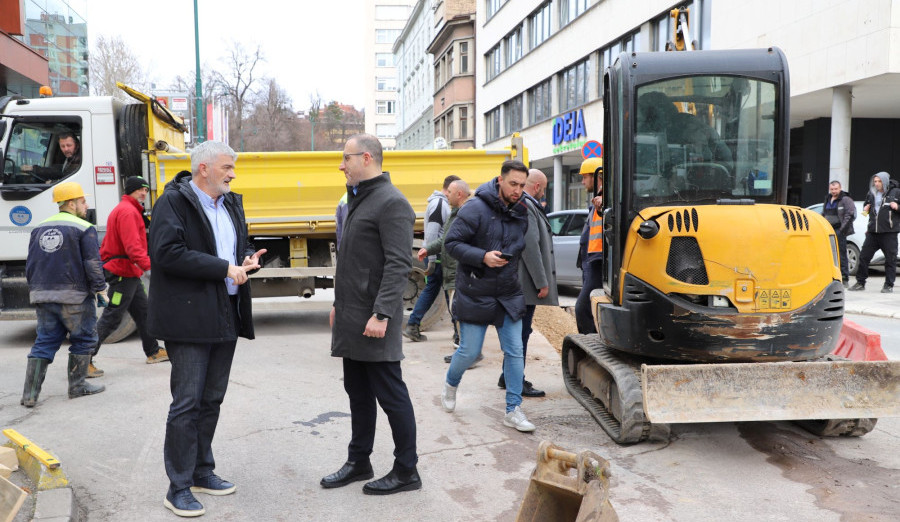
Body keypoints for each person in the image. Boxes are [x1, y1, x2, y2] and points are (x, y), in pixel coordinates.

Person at [147, 141, 266, 517]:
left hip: (225, 311)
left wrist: (245, 257)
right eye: (227, 167)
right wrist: (222, 268)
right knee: (187, 403)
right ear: (204, 169)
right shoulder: (174, 202)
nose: (233, 173)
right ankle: (178, 487)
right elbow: (166, 253)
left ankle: (201, 471)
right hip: (188, 317)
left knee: (211, 400)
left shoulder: (230, 202)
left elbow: (233, 244)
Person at [322, 133, 421, 495]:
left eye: (346, 158)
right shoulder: (357, 199)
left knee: (391, 394)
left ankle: (407, 470)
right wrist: (337, 305)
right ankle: (359, 461)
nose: (341, 165)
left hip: (374, 320)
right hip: (352, 317)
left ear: (366, 158)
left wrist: (381, 314)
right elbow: (352, 264)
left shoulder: (391, 202)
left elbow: (398, 264)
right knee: (358, 393)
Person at [440, 160, 536, 433]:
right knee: (470, 351)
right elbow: (452, 244)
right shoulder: (474, 208)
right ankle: (450, 383)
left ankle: (513, 410)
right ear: (500, 181)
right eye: (513, 184)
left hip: (507, 292)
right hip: (476, 290)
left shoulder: (522, 210)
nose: (518, 190)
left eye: (522, 185)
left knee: (515, 351)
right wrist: (483, 257)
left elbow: (519, 246)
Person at [20, 181, 107, 408]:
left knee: (45, 341)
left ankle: (29, 394)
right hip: (74, 295)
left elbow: (31, 263)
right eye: (82, 201)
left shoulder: (39, 227)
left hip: (43, 294)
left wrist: (36, 290)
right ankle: (77, 387)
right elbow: (92, 263)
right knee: (85, 338)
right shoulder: (82, 227)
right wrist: (100, 288)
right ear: (71, 203)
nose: (86, 205)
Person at [90, 176, 168, 377]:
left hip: (129, 272)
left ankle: (153, 351)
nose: (143, 193)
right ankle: (84, 358)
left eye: (145, 189)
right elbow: (133, 248)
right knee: (113, 316)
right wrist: (152, 268)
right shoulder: (128, 212)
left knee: (143, 312)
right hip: (122, 272)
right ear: (130, 191)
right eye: (139, 190)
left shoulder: (128, 209)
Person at [498, 169, 557, 398]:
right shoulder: (527, 205)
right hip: (524, 283)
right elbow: (530, 246)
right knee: (521, 333)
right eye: (543, 187)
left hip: (518, 281)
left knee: (519, 331)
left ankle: (507, 376)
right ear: (538, 187)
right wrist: (542, 282)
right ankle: (516, 381)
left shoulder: (524, 203)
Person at [415, 179, 475, 363]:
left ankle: (468, 354)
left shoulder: (466, 214)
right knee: (457, 313)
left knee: (461, 314)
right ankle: (466, 352)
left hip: (459, 273)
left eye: (449, 191)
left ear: (459, 194)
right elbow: (447, 240)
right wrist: (429, 249)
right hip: (452, 273)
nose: (446, 194)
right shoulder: (456, 213)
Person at [402, 174, 460, 342]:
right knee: (450, 293)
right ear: (449, 188)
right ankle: (458, 333)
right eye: (452, 191)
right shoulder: (440, 204)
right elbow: (434, 233)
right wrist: (433, 261)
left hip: (436, 256)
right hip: (439, 257)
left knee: (434, 290)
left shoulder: (438, 203)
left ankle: (413, 325)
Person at [850, 171, 900, 293]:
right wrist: (866, 208)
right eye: (875, 181)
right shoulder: (871, 193)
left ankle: (888, 285)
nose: (877, 184)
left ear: (885, 181)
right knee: (864, 257)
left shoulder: (896, 193)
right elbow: (866, 211)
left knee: (890, 260)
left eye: (879, 181)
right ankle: (860, 283)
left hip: (889, 232)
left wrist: (897, 207)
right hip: (872, 232)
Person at [575, 157, 604, 334]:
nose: (583, 181)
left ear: (596, 176)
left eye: (585, 177)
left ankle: (590, 343)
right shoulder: (596, 201)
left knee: (582, 308)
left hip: (598, 261)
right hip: (592, 261)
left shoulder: (604, 199)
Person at [821, 180, 856, 287]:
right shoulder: (827, 198)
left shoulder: (845, 199)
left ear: (840, 188)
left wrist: (842, 229)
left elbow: (849, 214)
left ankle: (845, 278)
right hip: (828, 230)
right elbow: (824, 213)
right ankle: (831, 276)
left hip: (839, 231)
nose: (834, 191)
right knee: (829, 254)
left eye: (836, 189)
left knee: (841, 254)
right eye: (832, 189)